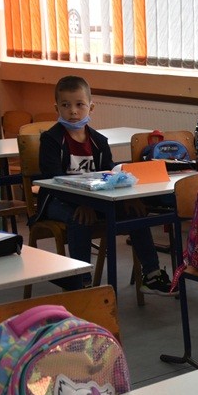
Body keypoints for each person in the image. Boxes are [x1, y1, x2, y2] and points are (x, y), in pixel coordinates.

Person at [33, 75, 172, 295]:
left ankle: (152, 275)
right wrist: (82, 203)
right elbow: (53, 180)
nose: (73, 111)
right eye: (66, 105)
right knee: (80, 218)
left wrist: (129, 198)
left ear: (91, 107)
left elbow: (111, 176)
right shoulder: (51, 140)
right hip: (58, 201)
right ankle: (82, 283)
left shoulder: (98, 141)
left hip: (94, 201)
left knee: (135, 212)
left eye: (79, 104)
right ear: (56, 108)